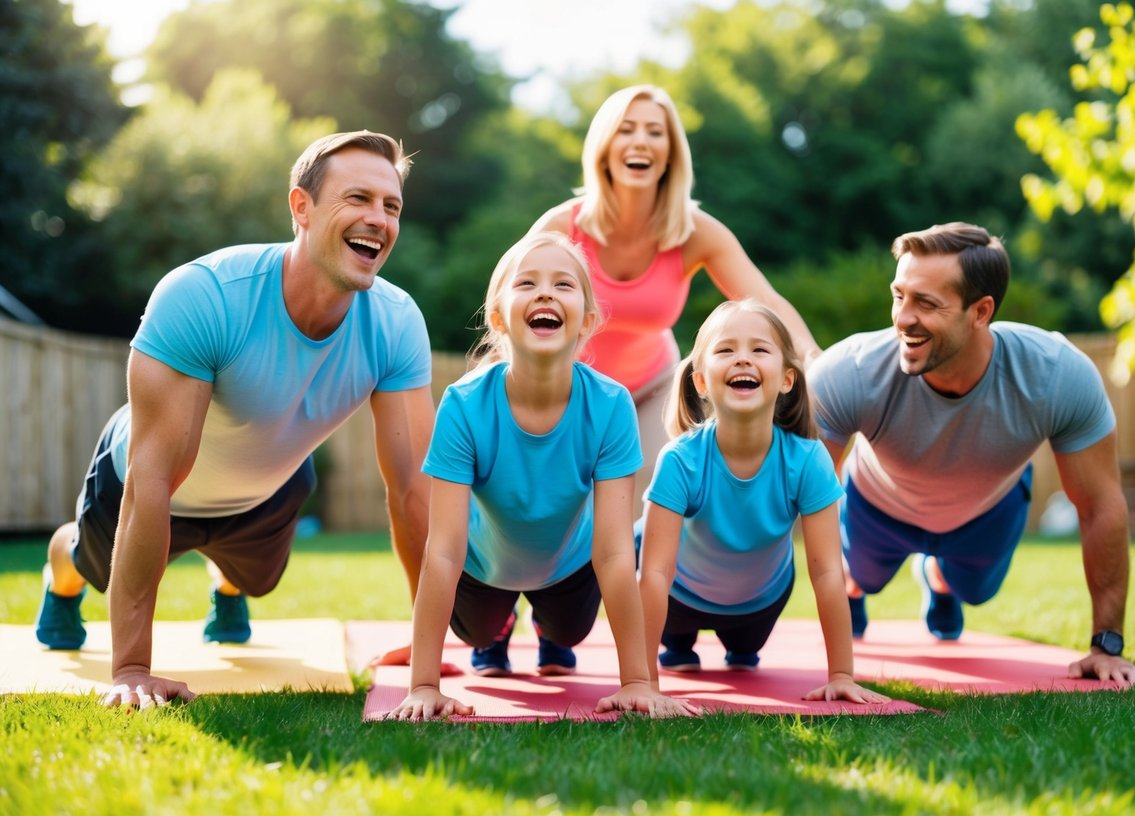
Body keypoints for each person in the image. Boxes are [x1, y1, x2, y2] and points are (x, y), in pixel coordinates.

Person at [33, 131, 436, 707]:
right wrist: (132, 669)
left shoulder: (396, 323)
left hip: (264, 489)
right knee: (85, 563)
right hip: (146, 485)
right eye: (358, 199)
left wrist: (427, 649)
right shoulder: (206, 296)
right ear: (301, 207)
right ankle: (60, 568)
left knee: (256, 580)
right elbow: (153, 479)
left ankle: (227, 580)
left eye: (391, 206)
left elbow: (412, 490)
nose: (378, 219)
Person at [806, 221, 1135, 685]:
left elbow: (1100, 506)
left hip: (986, 510)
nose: (903, 318)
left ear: (981, 311)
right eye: (899, 295)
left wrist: (1106, 645)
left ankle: (938, 579)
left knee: (975, 591)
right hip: (878, 504)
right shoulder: (849, 371)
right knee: (859, 577)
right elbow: (801, 492)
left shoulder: (1055, 375)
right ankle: (859, 585)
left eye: (927, 303)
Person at [387, 232, 698, 721]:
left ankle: (547, 630)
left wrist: (638, 681)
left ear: (588, 321)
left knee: (569, 635)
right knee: (478, 634)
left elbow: (616, 551)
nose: (546, 293)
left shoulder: (611, 405)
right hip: (483, 566)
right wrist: (424, 685)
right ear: (497, 317)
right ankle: (504, 621)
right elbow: (443, 550)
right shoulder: (465, 406)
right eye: (527, 282)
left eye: (564, 284)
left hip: (568, 565)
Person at [530, 84, 821, 514]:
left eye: (655, 132)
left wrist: (813, 357)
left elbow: (767, 302)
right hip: (568, 388)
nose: (641, 141)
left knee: (643, 497)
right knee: (561, 508)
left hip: (653, 388)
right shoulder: (562, 225)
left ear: (670, 153)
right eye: (626, 129)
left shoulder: (694, 231)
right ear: (605, 147)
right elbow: (510, 301)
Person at [636, 299, 889, 705]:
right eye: (725, 350)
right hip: (679, 597)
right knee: (644, 549)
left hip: (759, 603)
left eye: (758, 349)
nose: (742, 360)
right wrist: (642, 682)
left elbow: (826, 572)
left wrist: (841, 674)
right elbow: (654, 573)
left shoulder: (807, 460)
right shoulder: (681, 459)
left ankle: (740, 644)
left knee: (745, 655)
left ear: (787, 379)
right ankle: (677, 645)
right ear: (700, 381)